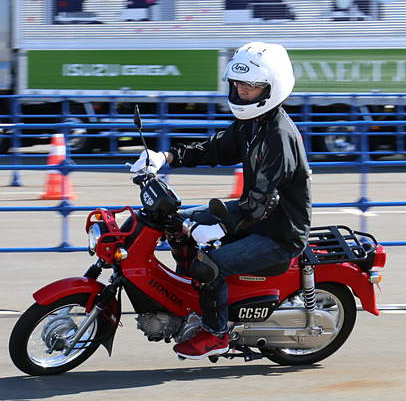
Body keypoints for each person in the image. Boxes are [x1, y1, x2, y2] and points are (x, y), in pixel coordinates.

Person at [130, 41, 312, 360]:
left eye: (251, 85)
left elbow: (261, 204)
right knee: (180, 223)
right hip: (255, 216)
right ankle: (193, 296)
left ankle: (216, 333)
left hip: (279, 233)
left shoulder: (278, 138)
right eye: (238, 83)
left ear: (271, 87)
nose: (242, 90)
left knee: (210, 263)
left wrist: (223, 229)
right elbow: (214, 149)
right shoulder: (252, 124)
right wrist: (165, 156)